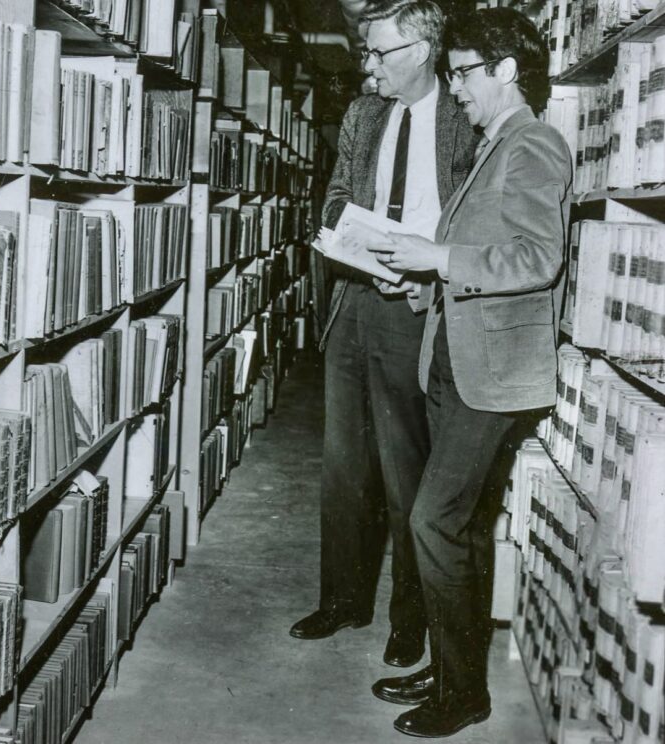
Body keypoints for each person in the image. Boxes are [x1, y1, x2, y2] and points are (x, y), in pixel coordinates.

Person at [367, 7, 572, 738]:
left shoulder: (534, 145)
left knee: (434, 519)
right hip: (457, 361)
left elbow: (536, 260)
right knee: (468, 527)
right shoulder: (495, 144)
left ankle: (464, 697)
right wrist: (425, 279)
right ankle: (455, 671)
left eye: (463, 73)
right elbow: (483, 255)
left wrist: (441, 258)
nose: (454, 88)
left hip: (493, 375)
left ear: (507, 71)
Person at [289, 0, 478, 673]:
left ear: (423, 50)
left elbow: (472, 220)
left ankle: (410, 621)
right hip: (355, 298)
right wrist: (356, 232)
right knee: (343, 466)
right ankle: (342, 599)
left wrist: (424, 268)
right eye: (365, 52)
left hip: (417, 308)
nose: (368, 67)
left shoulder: (464, 119)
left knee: (406, 473)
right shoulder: (366, 115)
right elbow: (336, 192)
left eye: (380, 53)